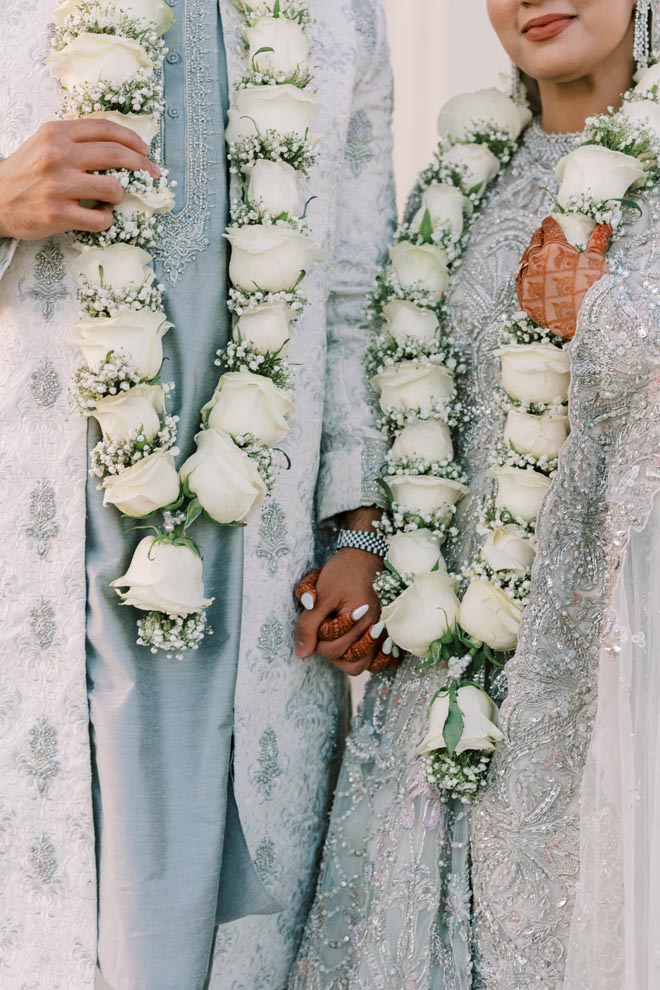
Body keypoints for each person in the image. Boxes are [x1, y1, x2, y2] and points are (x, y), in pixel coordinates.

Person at [0, 1, 395, 987]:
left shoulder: (345, 18)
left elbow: (357, 292)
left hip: (258, 594)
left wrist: (363, 533)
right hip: (44, 578)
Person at [292, 2, 660, 988]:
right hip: (442, 673)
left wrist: (606, 315)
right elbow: (401, 394)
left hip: (609, 658)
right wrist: (366, 552)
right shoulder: (459, 182)